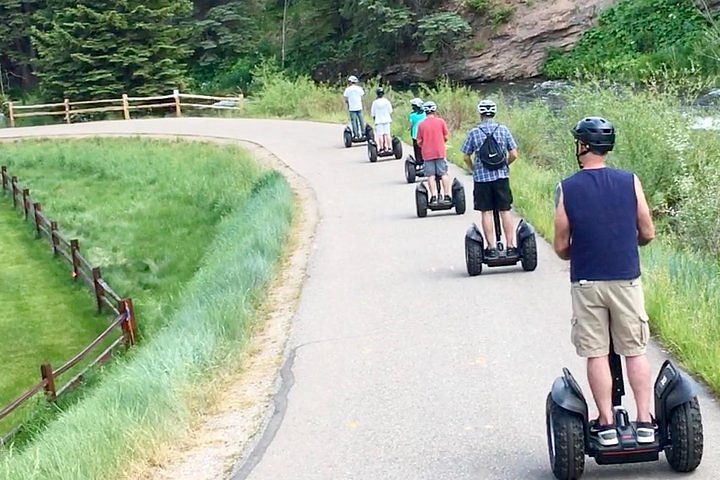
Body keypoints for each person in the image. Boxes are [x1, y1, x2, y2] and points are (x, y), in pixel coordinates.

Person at [553, 116, 656, 447]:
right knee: (635, 351)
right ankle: (644, 420)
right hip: (626, 279)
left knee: (596, 353)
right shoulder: (630, 181)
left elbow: (560, 245)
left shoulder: (566, 188)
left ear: (583, 146)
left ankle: (607, 424)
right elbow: (647, 232)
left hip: (587, 281)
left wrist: (574, 252)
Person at [461, 99, 519, 258]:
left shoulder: (474, 132)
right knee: (505, 210)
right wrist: (505, 165)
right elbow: (514, 154)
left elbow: (465, 156)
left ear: (480, 114)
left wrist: (474, 169)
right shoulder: (503, 130)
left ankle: (492, 248)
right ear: (494, 113)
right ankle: (511, 246)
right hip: (501, 177)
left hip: (482, 179)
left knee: (486, 211)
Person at [416, 101, 450, 205]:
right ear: (434, 111)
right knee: (443, 173)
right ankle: (447, 195)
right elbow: (446, 137)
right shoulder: (441, 122)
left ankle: (434, 196)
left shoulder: (421, 124)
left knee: (430, 176)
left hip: (427, 153)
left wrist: (425, 145)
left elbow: (419, 141)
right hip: (440, 152)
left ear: (425, 111)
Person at [370, 87, 393, 152]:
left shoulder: (375, 102)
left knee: (380, 135)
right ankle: (389, 148)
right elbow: (390, 111)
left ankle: (381, 148)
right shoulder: (386, 101)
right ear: (383, 94)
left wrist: (374, 118)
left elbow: (373, 113)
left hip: (378, 120)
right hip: (387, 120)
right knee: (387, 134)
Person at [408, 97, 426, 165]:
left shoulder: (412, 115)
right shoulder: (424, 114)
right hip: (424, 135)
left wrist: (409, 128)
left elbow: (410, 126)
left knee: (417, 150)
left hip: (415, 136)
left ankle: (419, 162)